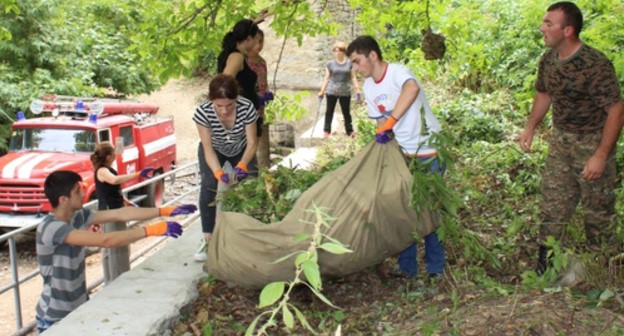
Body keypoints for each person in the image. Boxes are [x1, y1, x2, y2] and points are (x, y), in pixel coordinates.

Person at [518, 2, 624, 274]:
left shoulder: (595, 64)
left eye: (548, 23)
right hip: (561, 142)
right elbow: (544, 94)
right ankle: (545, 271)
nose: (542, 27)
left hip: (592, 143)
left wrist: (600, 155)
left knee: (597, 213)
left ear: (568, 30)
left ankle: (606, 274)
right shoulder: (548, 60)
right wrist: (530, 127)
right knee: (552, 205)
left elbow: (616, 110)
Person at [36, 170, 197, 333]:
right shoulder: (51, 228)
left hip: (78, 305)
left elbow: (121, 213)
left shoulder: (77, 215)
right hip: (55, 316)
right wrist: (153, 230)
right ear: (63, 200)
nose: (83, 193)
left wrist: (164, 211)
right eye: (78, 191)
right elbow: (106, 240)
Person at [347, 35, 445, 280]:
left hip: (428, 151)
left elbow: (411, 89)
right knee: (403, 212)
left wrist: (390, 122)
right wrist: (383, 137)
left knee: (430, 211)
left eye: (358, 62)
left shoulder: (398, 72)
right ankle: (407, 269)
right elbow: (380, 122)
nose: (356, 69)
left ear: (372, 55)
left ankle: (436, 269)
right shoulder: (369, 88)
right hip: (402, 155)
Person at [192, 74, 259, 262]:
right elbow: (207, 147)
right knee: (208, 187)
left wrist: (243, 164)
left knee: (252, 186)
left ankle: (250, 234)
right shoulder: (203, 112)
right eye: (218, 105)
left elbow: (252, 142)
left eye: (229, 105)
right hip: (214, 149)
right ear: (211, 100)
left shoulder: (246, 108)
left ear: (236, 99)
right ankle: (208, 238)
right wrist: (218, 172)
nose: (224, 111)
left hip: (242, 148)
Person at [91, 142, 155, 284]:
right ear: (108, 157)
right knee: (118, 246)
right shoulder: (102, 171)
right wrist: (138, 174)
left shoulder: (106, 169)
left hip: (113, 210)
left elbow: (110, 191)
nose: (116, 154)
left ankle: (111, 282)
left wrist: (126, 201)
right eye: (113, 152)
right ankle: (118, 281)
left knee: (110, 249)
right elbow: (114, 181)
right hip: (112, 213)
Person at [217, 19, 263, 135]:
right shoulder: (236, 57)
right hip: (240, 120)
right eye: (256, 38)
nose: (258, 42)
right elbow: (224, 84)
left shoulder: (236, 54)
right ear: (248, 39)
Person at [318, 41, 361, 137]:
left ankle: (349, 131)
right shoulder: (330, 64)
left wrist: (357, 89)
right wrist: (322, 91)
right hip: (332, 91)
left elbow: (353, 77)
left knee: (346, 112)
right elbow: (327, 78)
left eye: (339, 51)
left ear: (343, 52)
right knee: (329, 111)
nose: (337, 53)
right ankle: (327, 130)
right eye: (335, 51)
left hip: (345, 91)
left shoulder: (349, 63)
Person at [247, 28, 274, 168]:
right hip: (248, 105)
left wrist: (268, 94)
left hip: (260, 107)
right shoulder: (243, 60)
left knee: (258, 136)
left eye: (261, 41)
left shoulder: (262, 61)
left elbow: (264, 81)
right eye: (255, 41)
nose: (258, 45)